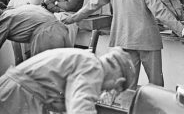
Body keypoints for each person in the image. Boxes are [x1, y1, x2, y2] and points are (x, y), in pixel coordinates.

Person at [0, 47, 136, 114]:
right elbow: (80, 109)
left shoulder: (85, 58)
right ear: (118, 80)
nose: (105, 91)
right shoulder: (94, 68)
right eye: (112, 89)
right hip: (20, 97)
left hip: (13, 91)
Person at [0, 5, 72, 60]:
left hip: (47, 35)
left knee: (44, 72)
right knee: (66, 67)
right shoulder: (20, 9)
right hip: (61, 28)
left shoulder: (5, 18)